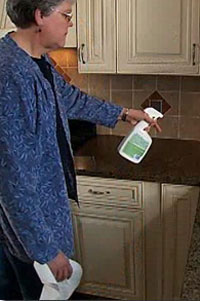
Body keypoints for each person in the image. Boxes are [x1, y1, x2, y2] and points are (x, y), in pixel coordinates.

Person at [0, 0, 161, 300]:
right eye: (66, 15)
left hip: (43, 221)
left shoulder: (38, 60)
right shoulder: (9, 76)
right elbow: (12, 180)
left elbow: (71, 98)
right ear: (40, 16)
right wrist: (47, 251)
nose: (70, 23)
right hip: (28, 240)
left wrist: (125, 113)